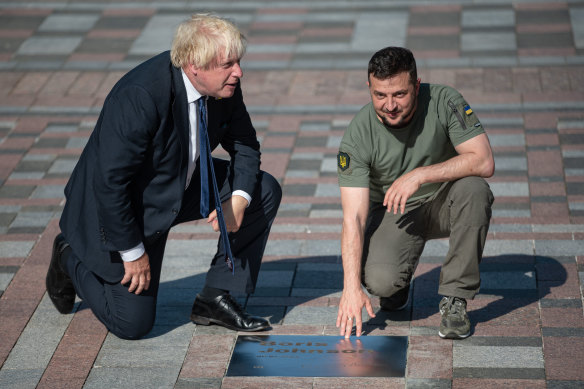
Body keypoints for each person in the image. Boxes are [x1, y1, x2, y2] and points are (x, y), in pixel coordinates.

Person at [45, 14, 282, 340]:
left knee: (263, 189)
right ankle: (69, 254)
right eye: (227, 64)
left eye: (237, 62)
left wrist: (238, 201)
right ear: (193, 64)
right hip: (124, 206)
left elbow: (245, 146)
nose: (238, 72)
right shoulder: (140, 96)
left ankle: (216, 298)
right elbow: (110, 184)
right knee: (132, 325)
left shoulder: (223, 85)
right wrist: (133, 252)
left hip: (178, 183)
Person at [335, 47, 495, 340]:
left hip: (446, 201)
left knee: (475, 189)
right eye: (380, 95)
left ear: (417, 86)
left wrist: (421, 175)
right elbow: (353, 218)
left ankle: (455, 299)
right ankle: (397, 284)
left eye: (399, 94)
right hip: (394, 212)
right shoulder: (358, 135)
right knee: (381, 282)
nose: (389, 105)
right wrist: (350, 288)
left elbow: (483, 161)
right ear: (368, 88)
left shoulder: (446, 101)